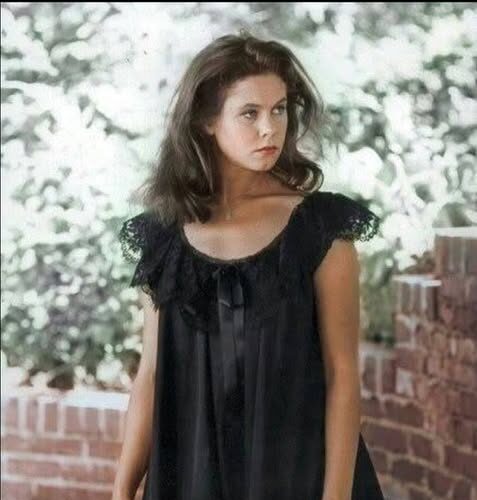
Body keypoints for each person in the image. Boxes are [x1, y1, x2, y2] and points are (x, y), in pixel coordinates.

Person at [113, 30, 384, 500]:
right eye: (249, 113)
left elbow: (343, 377)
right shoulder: (163, 238)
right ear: (206, 121)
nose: (269, 129)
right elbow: (152, 376)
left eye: (279, 110)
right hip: (192, 480)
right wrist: (121, 491)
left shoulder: (320, 229)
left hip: (299, 478)